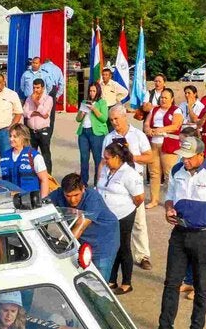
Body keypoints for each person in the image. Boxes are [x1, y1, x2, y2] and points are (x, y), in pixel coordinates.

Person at [152, 135, 206, 329]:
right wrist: (168, 208)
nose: (184, 161)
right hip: (179, 233)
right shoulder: (177, 170)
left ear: (200, 155)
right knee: (171, 284)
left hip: (204, 236)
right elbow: (169, 195)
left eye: (188, 157)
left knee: (201, 287)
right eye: (183, 157)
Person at [104, 105, 155, 270]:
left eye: (116, 119)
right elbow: (102, 161)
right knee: (114, 221)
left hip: (133, 182)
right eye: (111, 120)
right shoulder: (108, 138)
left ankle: (143, 255)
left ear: (124, 117)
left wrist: (132, 157)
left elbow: (150, 157)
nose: (114, 123)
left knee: (139, 221)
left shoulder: (138, 135)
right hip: (115, 184)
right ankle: (114, 254)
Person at [97, 140, 145, 295]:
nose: (105, 160)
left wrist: (127, 208)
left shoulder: (129, 174)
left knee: (123, 247)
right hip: (107, 216)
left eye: (108, 157)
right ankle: (111, 279)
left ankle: (126, 282)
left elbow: (139, 197)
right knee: (111, 247)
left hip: (123, 215)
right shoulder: (106, 169)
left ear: (117, 157)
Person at [46, 173, 119, 275]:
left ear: (83, 189)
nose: (72, 200)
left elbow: (81, 226)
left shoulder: (93, 198)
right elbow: (42, 207)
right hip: (82, 241)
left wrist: (64, 249)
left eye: (76, 195)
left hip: (103, 242)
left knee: (97, 279)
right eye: (68, 196)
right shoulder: (58, 194)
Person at [143, 87, 182, 207]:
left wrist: (160, 130)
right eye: (162, 98)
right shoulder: (154, 110)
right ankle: (154, 200)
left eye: (166, 98)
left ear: (171, 99)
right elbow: (146, 124)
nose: (163, 100)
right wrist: (148, 130)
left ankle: (173, 200)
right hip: (154, 143)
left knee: (169, 173)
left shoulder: (176, 110)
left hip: (168, 144)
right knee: (154, 173)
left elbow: (175, 126)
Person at [0, 123, 51, 205]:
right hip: (9, 201)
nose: (11, 139)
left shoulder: (34, 156)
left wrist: (43, 201)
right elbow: (1, 181)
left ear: (23, 137)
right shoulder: (5, 156)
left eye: (15, 136)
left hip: (30, 202)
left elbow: (44, 180)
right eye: (10, 136)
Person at [23, 79, 55, 171]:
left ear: (43, 88)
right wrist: (36, 112)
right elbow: (25, 113)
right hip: (31, 131)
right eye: (34, 88)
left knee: (45, 155)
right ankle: (33, 176)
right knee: (30, 155)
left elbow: (45, 113)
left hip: (43, 131)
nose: (35, 90)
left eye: (37, 88)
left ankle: (48, 178)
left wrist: (36, 102)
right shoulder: (29, 98)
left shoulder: (48, 99)